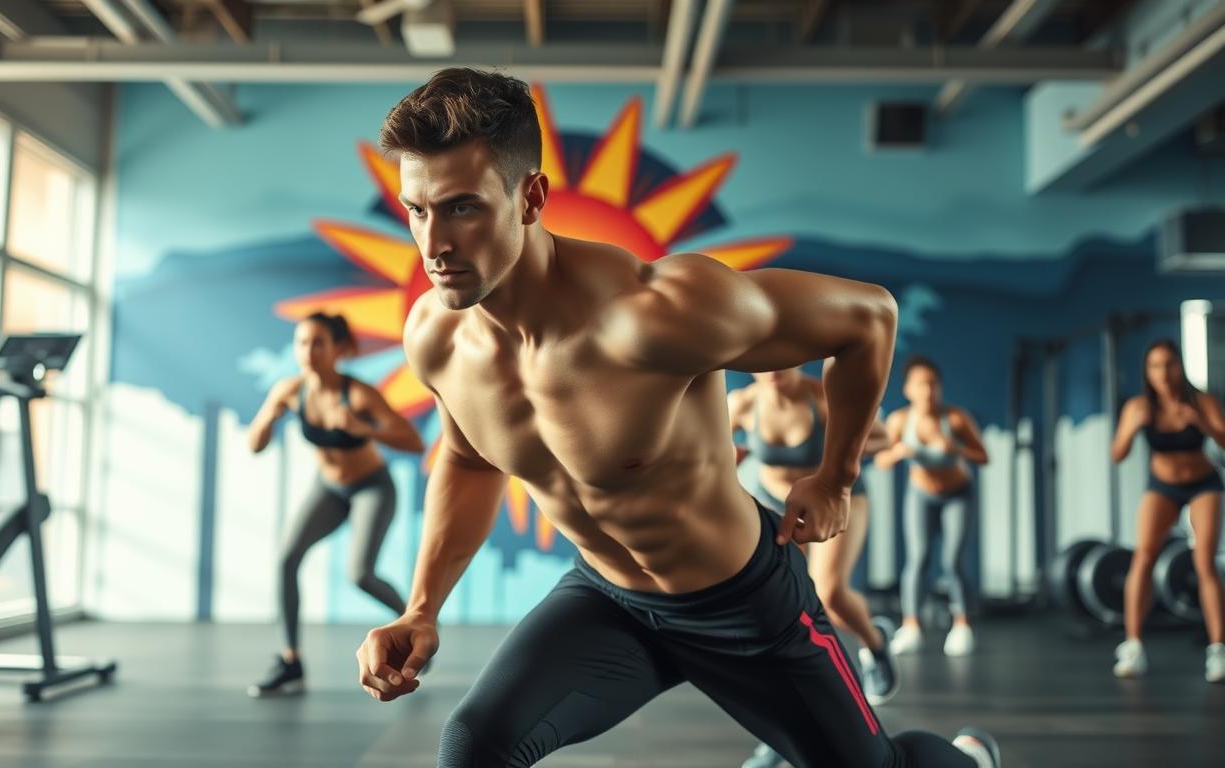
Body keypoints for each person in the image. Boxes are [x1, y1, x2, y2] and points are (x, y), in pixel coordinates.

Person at [355, 68, 1001, 768]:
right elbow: (470, 456)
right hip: (610, 602)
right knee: (473, 746)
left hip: (745, 606)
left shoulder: (656, 315)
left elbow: (869, 317)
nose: (434, 243)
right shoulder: (437, 339)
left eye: (461, 208)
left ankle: (969, 758)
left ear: (531, 196)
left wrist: (835, 476)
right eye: (417, 210)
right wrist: (422, 607)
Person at [246, 312, 424, 697]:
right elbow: (255, 445)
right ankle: (290, 661)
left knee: (360, 574)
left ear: (339, 349)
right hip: (328, 488)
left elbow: (413, 441)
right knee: (285, 559)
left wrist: (365, 428)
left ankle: (417, 624)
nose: (307, 352)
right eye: (301, 343)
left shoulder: (358, 394)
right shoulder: (290, 391)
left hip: (371, 488)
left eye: (317, 343)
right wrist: (269, 417)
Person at [729, 367, 897, 768]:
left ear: (798, 359)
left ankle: (875, 644)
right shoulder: (742, 403)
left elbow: (885, 437)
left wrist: (838, 457)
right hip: (775, 499)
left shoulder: (823, 396)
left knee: (831, 595)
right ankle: (781, 738)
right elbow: (709, 447)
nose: (770, 371)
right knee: (784, 612)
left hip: (837, 498)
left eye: (780, 362)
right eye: (761, 362)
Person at [1110, 338, 1225, 682]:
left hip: (1203, 483)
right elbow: (1117, 454)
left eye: (1169, 364)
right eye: (1156, 366)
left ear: (1180, 366)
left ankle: (1217, 650)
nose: (1164, 373)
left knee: (1204, 561)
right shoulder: (1138, 406)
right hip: (1162, 486)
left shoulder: (1201, 401)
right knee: (1143, 557)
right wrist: (1131, 428)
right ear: (1148, 371)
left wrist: (1203, 425)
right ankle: (1133, 646)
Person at [876, 356, 989, 657]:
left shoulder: (955, 418)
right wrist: (897, 452)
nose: (927, 390)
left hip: (957, 493)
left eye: (932, 383)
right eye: (920, 384)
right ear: (908, 389)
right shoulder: (900, 420)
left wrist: (958, 449)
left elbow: (983, 457)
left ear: (939, 387)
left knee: (952, 560)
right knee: (918, 558)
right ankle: (911, 626)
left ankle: (962, 626)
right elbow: (881, 461)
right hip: (921, 495)